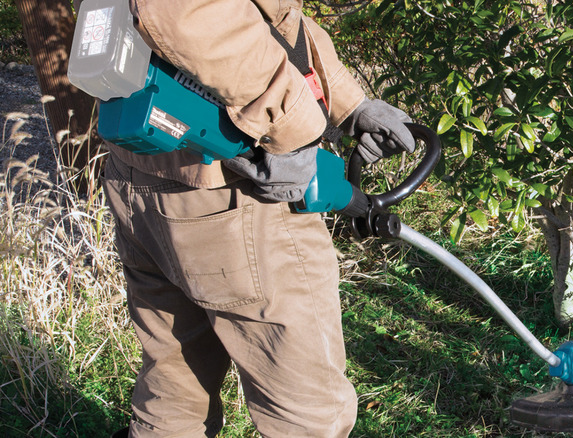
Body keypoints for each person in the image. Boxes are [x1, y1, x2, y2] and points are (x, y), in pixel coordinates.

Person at [101, 1, 414, 436]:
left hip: (143, 172)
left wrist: (348, 102)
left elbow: (271, 16)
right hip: (235, 190)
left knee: (173, 388)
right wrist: (290, 129)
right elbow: (185, 12)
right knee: (308, 415)